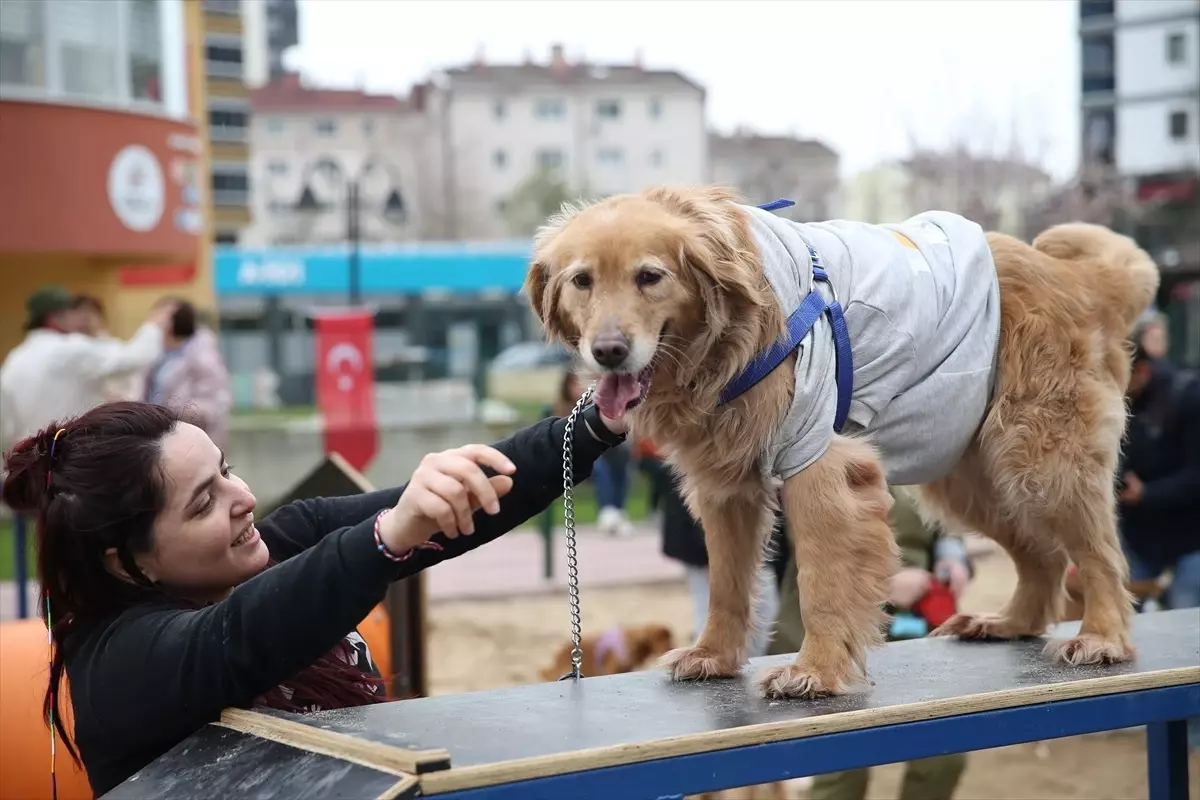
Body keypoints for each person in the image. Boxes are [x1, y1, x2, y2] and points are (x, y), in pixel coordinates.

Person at [0, 398, 629, 795]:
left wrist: (593, 424)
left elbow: (450, 508)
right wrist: (386, 538)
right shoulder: (119, 660)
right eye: (203, 502)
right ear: (130, 562)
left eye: (226, 469)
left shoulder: (274, 544)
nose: (241, 496)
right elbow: (235, 639)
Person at [767, 485, 973, 800]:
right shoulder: (823, 452)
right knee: (842, 766)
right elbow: (817, 548)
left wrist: (952, 557)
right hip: (832, 641)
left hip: (914, 638)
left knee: (944, 753)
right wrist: (884, 585)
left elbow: (944, 515)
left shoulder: (925, 450)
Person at [0, 286, 172, 453]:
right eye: (72, 311)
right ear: (55, 317)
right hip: (71, 454)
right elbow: (134, 358)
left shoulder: (16, 357)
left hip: (33, 459)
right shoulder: (68, 349)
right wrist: (155, 324)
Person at [657, 458, 784, 656]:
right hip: (706, 536)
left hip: (744, 529)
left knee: (761, 612)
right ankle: (713, 664)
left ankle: (727, 661)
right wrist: (709, 555)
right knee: (716, 613)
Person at [1117, 339, 1200, 611]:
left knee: (1183, 621)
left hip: (1189, 540)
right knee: (1126, 619)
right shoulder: (1122, 403)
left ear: (1141, 370)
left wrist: (1148, 494)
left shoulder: (1186, 396)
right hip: (1138, 538)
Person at [142, 299, 233, 449]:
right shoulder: (159, 354)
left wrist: (166, 415)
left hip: (189, 442)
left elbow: (213, 403)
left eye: (164, 318)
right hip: (157, 438)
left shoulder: (201, 353)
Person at [68, 293, 145, 401]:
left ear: (101, 317)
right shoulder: (66, 351)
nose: (83, 320)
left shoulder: (117, 348)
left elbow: (135, 384)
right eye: (78, 314)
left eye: (88, 314)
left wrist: (122, 400)